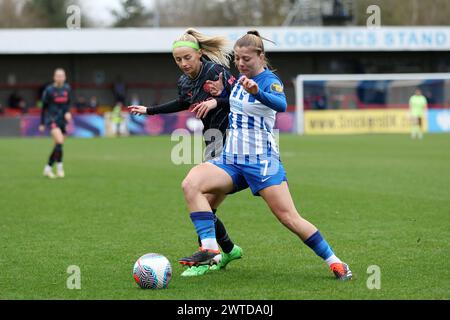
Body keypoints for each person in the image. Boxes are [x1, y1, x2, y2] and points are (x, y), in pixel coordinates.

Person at [179, 30, 353, 281]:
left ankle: (336, 262)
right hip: (231, 160)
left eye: (246, 59)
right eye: (237, 59)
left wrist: (256, 92)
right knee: (191, 183)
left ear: (261, 56)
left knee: (289, 218)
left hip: (261, 162)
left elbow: (280, 104)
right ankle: (209, 248)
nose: (240, 64)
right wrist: (219, 96)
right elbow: (234, 101)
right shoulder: (241, 78)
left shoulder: (268, 81)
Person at [128, 28, 243, 277]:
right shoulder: (184, 82)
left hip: (235, 144)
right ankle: (227, 251)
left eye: (187, 58)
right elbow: (183, 102)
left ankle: (212, 256)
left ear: (199, 54)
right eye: (178, 60)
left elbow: (242, 100)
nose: (183, 64)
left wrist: (216, 101)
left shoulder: (216, 72)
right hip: (213, 144)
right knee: (205, 208)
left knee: (200, 201)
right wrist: (149, 110)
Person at [39, 68, 72, 179]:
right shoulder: (49, 90)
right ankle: (60, 168)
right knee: (59, 140)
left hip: (62, 121)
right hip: (52, 119)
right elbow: (43, 108)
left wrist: (67, 112)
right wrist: (42, 123)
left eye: (62, 76)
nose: (60, 78)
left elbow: (68, 104)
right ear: (54, 77)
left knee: (58, 145)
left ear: (65, 77)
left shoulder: (67, 88)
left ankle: (47, 169)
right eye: (58, 76)